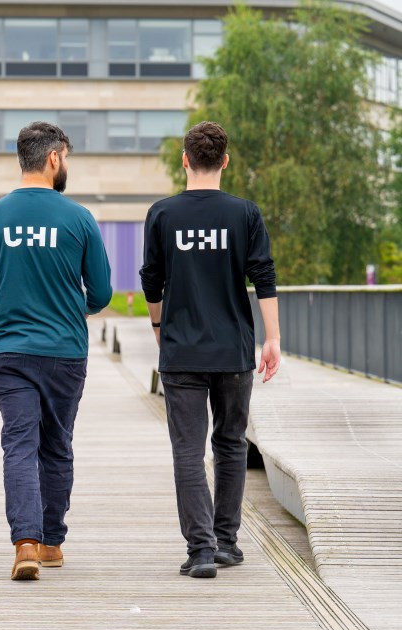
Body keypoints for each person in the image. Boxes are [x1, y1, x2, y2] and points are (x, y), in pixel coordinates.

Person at [0, 122, 112, 581]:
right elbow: (102, 291)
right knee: (56, 446)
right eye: (66, 156)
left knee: (18, 444)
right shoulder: (79, 219)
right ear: (53, 158)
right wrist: (73, 306)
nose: (66, 165)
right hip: (65, 351)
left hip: (8, 352)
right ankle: (50, 542)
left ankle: (24, 543)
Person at [139, 121, 281, 579]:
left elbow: (150, 278)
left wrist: (159, 325)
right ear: (224, 161)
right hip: (234, 349)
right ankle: (228, 543)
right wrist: (273, 339)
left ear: (185, 160)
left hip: (181, 350)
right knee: (231, 445)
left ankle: (200, 550)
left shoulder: (162, 213)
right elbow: (263, 276)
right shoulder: (245, 213)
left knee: (187, 449)